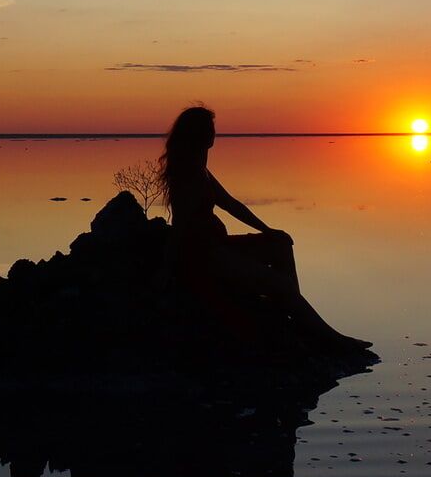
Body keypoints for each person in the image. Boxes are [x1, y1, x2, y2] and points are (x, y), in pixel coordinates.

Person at [156, 104, 369, 352]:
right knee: (280, 285)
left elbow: (230, 204)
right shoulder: (187, 172)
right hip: (206, 255)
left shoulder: (200, 168)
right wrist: (165, 269)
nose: (215, 133)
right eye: (210, 128)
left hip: (219, 245)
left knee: (280, 244)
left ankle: (293, 316)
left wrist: (267, 230)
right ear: (198, 133)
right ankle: (332, 339)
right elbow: (180, 226)